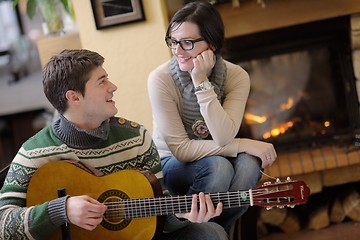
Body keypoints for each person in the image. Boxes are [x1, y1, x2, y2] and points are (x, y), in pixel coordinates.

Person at [0, 49, 228, 240]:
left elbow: (159, 214)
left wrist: (183, 215)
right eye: (102, 82)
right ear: (74, 97)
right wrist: (61, 210)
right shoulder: (34, 152)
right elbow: (3, 223)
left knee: (210, 232)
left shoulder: (136, 137)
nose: (113, 86)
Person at [147, 1, 277, 231]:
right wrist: (245, 143)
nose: (177, 51)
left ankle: (209, 231)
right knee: (219, 167)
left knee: (249, 164)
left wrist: (201, 82)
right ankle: (203, 232)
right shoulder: (160, 79)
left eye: (187, 43)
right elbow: (182, 149)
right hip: (172, 163)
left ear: (212, 44)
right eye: (173, 41)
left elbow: (223, 136)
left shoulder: (236, 76)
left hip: (215, 152)